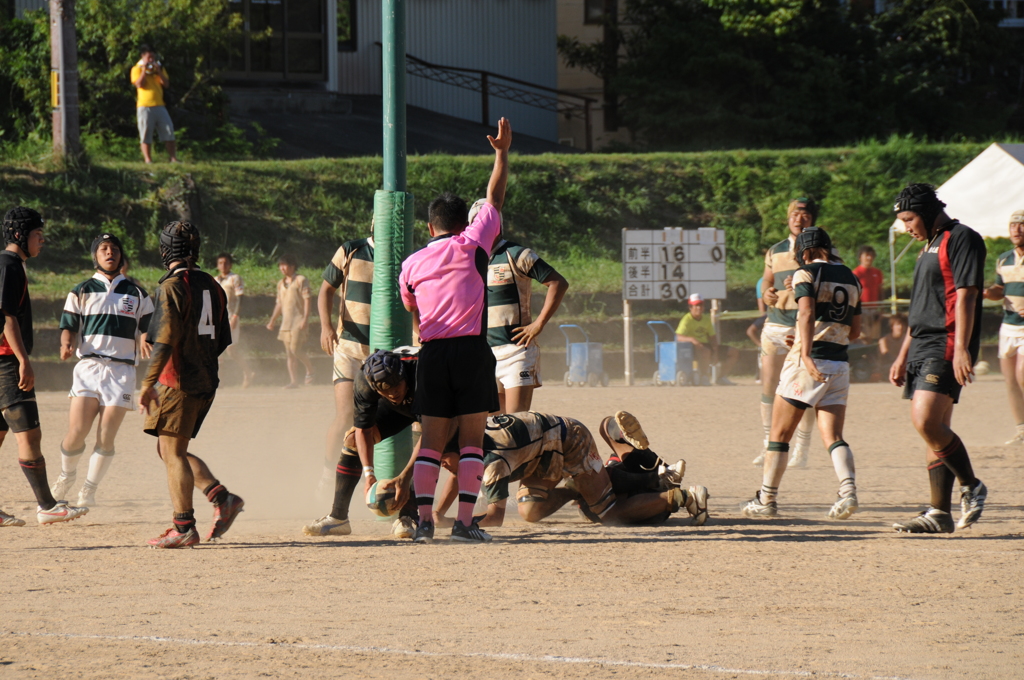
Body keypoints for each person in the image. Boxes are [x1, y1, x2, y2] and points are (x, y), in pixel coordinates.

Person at [398, 117, 511, 544]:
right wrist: (500, 153)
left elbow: (410, 307)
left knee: (429, 442)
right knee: (470, 441)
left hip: (433, 353)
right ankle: (464, 523)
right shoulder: (473, 243)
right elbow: (494, 198)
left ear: (429, 228)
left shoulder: (411, 264)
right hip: (470, 351)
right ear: (465, 224)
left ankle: (425, 522)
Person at [741, 227, 862, 520]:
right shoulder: (852, 277)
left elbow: (806, 313)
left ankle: (766, 499)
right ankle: (848, 493)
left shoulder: (805, 273)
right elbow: (856, 331)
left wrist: (806, 352)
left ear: (805, 253)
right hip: (839, 365)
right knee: (833, 436)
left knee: (780, 435)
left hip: (807, 365)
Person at [139, 220, 244, 548]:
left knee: (171, 451)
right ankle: (221, 497)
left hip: (178, 380)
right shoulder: (213, 284)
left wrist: (148, 383)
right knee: (170, 449)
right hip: (206, 379)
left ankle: (183, 526)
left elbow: (165, 339)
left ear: (164, 250)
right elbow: (223, 339)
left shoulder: (171, 286)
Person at [889, 184, 987, 534]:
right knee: (934, 430)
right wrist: (902, 355)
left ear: (929, 213)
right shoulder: (926, 245)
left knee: (926, 420)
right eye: (902, 220)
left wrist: (962, 348)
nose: (906, 227)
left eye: (910, 218)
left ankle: (972, 485)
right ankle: (939, 513)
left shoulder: (962, 238)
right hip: (921, 345)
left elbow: (967, 296)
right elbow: (920, 308)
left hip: (946, 342)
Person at [50, 234, 154, 508]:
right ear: (95, 256)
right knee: (77, 431)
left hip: (121, 371)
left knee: (106, 436)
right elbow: (69, 324)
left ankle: (89, 488)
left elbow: (148, 328)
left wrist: (145, 338)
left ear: (121, 257)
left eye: (115, 249)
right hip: (89, 367)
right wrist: (66, 342)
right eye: (104, 249)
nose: (110, 253)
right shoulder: (81, 289)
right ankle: (66, 475)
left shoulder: (137, 293)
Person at [0, 207, 88, 528]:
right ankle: (47, 506)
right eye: (38, 234)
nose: (43, 240)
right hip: (7, 362)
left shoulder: (12, 265)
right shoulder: (8, 266)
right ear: (21, 236)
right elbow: (6, 316)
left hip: (4, 360)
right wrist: (23, 361)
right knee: (30, 434)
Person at [472, 411, 708, 528]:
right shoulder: (470, 434)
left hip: (570, 441)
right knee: (531, 511)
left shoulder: (493, 460)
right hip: (544, 449)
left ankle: (683, 495)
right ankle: (622, 458)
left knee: (608, 514)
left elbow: (495, 518)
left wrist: (458, 523)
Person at [302, 348, 439, 539]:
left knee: (438, 450)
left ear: (403, 377)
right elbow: (363, 430)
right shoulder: (365, 382)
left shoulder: (423, 375)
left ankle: (409, 516)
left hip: (446, 412)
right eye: (385, 391)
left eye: (396, 387)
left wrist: (405, 476)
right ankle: (338, 517)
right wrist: (369, 474)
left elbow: (433, 434)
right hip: (401, 410)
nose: (392, 394)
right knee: (352, 440)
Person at [755, 198, 819, 468]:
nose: (799, 218)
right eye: (794, 213)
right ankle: (769, 444)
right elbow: (766, 281)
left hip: (805, 326)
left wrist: (808, 281)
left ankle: (802, 448)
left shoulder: (822, 249)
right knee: (769, 384)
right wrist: (766, 293)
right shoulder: (775, 250)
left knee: (803, 389)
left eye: (804, 214)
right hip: (775, 325)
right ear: (787, 218)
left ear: (813, 218)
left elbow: (832, 280)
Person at [313, 230, 375, 494]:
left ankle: (370, 477)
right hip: (347, 346)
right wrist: (326, 327)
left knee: (375, 419)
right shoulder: (351, 250)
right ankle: (327, 477)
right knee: (345, 415)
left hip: (382, 352)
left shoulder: (402, 256)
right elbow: (326, 290)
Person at [983, 209, 1024, 445]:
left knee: (1022, 375)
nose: (1017, 230)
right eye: (1013, 226)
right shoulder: (1004, 259)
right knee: (1009, 380)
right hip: (1008, 325)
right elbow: (1000, 289)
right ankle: (1021, 430)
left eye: (1021, 225)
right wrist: (988, 292)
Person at [267, 254, 313, 388]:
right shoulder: (280, 284)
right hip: (285, 323)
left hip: (298, 321)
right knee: (289, 353)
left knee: (295, 350)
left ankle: (310, 370)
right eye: (280, 265)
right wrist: (272, 320)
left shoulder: (301, 280)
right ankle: (294, 381)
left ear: (292, 266)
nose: (282, 268)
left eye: (285, 265)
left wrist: (305, 318)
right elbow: (279, 304)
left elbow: (307, 300)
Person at [674, 293, 737, 385]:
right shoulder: (686, 320)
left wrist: (715, 351)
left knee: (733, 352)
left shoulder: (706, 319)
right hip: (693, 348)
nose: (699, 308)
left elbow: (712, 337)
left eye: (700, 305)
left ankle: (721, 377)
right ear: (690, 307)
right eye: (696, 306)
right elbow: (678, 337)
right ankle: (704, 376)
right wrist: (692, 339)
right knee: (705, 351)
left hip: (706, 345)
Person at [130, 45, 178, 164]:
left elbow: (166, 84)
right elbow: (139, 84)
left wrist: (158, 72)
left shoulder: (159, 69)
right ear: (143, 57)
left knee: (169, 130)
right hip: (144, 106)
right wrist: (144, 71)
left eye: (153, 57)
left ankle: (173, 158)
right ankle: (148, 159)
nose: (151, 60)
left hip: (160, 105)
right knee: (146, 133)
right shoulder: (136, 69)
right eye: (149, 57)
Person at [214, 253, 254, 388]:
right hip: (217, 319)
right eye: (220, 263)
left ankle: (248, 372)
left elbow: (240, 298)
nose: (223, 266)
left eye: (225, 263)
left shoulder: (235, 278)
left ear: (230, 265)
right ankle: (221, 381)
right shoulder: (215, 280)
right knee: (218, 351)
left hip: (231, 318)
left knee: (231, 349)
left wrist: (236, 316)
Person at [852, 245, 884, 340]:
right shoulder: (856, 273)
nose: (869, 258)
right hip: (862, 309)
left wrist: (881, 309)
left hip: (874, 309)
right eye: (866, 255)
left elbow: (880, 291)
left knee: (875, 336)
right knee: (863, 336)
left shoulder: (877, 272)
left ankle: (873, 354)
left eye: (871, 255)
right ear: (860, 257)